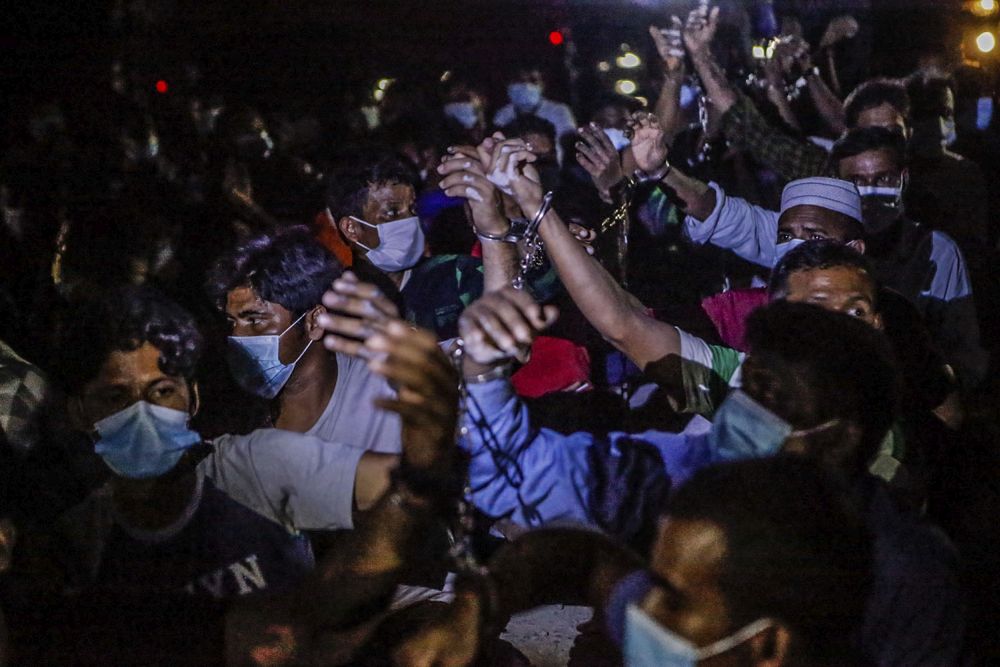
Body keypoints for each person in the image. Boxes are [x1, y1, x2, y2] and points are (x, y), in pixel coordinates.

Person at [321, 285, 964, 665]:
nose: (639, 611)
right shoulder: (685, 469)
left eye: (768, 392)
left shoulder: (907, 571)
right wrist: (484, 376)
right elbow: (579, 552)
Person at [394, 458, 873, 667]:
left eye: (673, 601)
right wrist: (479, 603)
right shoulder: (710, 643)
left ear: (768, 645)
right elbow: (586, 561)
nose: (638, 608)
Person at [206, 227, 402, 451]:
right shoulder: (235, 420)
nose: (237, 336)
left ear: (315, 322)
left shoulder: (385, 391)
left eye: (254, 321)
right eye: (232, 322)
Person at [493, 66, 576, 165]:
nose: (526, 85)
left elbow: (569, 143)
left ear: (542, 85)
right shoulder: (502, 114)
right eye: (519, 81)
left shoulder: (559, 111)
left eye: (532, 80)